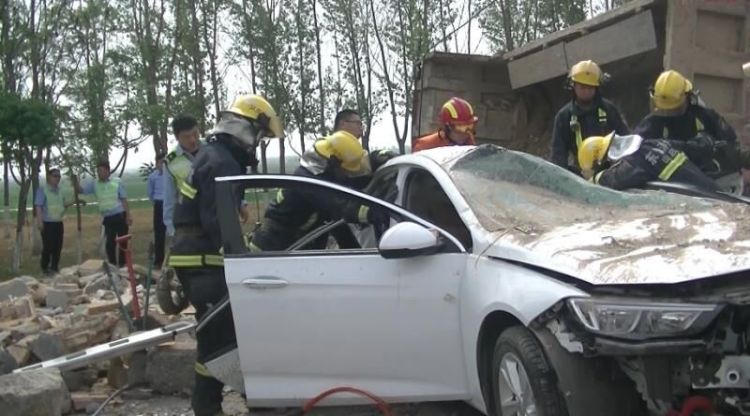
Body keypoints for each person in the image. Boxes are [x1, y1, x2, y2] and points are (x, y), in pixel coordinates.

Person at [167, 95, 284, 416]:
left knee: (219, 336)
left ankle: (239, 402)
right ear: (245, 129)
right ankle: (214, 406)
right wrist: (241, 261)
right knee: (219, 337)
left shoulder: (213, 156)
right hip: (202, 264)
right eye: (258, 136)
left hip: (198, 260)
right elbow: (216, 222)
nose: (256, 144)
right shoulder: (222, 163)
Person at [248, 130, 395, 252]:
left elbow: (352, 180)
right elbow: (344, 208)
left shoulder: (325, 171)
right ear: (334, 163)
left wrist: (376, 157)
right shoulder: (310, 183)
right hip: (272, 248)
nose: (347, 174)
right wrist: (381, 211)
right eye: (345, 170)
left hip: (297, 245)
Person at [634, 69, 740, 192]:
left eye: (674, 108)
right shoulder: (651, 123)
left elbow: (731, 145)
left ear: (687, 97)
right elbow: (636, 151)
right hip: (669, 187)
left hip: (709, 183)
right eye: (664, 109)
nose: (669, 112)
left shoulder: (705, 117)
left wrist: (712, 148)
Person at [550, 60, 629, 174]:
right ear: (573, 86)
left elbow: (624, 141)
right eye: (582, 87)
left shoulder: (609, 110)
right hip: (580, 174)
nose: (586, 91)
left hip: (610, 172)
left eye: (590, 87)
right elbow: (558, 156)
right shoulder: (564, 117)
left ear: (596, 87)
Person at [578, 132, 719, 192]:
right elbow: (693, 148)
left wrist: (592, 180)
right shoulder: (652, 143)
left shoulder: (635, 162)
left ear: (603, 162)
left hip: (711, 201)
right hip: (713, 190)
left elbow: (612, 180)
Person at [74, 162, 131, 266]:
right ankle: (112, 264)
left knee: (123, 242)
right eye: (98, 171)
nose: (99, 173)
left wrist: (128, 216)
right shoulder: (95, 183)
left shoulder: (117, 182)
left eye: (101, 170)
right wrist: (76, 183)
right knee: (110, 243)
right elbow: (81, 190)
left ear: (107, 171)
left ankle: (123, 264)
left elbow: (124, 199)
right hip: (108, 218)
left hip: (120, 215)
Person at [163, 115, 203, 238]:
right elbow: (170, 199)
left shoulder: (212, 148)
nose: (192, 140)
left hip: (217, 213)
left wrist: (241, 202)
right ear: (177, 137)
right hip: (191, 219)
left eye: (195, 134)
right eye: (186, 137)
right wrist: (171, 229)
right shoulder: (171, 162)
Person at [34, 168, 73, 274]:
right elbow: (38, 206)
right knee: (48, 247)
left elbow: (63, 204)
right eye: (54, 176)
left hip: (58, 223)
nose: (57, 178)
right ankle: (45, 267)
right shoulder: (43, 190)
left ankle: (54, 268)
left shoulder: (60, 191)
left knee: (57, 246)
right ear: (49, 177)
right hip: (47, 223)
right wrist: (40, 222)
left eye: (58, 176)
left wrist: (74, 201)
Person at [413, 97, 478, 151]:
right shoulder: (424, 147)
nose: (467, 131)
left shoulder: (469, 143)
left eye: (470, 125)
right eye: (461, 126)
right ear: (448, 127)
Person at [147, 154, 167, 267]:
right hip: (159, 205)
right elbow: (150, 193)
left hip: (170, 205)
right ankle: (159, 260)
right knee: (159, 233)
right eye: (161, 162)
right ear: (157, 163)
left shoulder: (171, 175)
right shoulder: (152, 177)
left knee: (173, 232)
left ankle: (172, 260)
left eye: (164, 162)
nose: (162, 165)